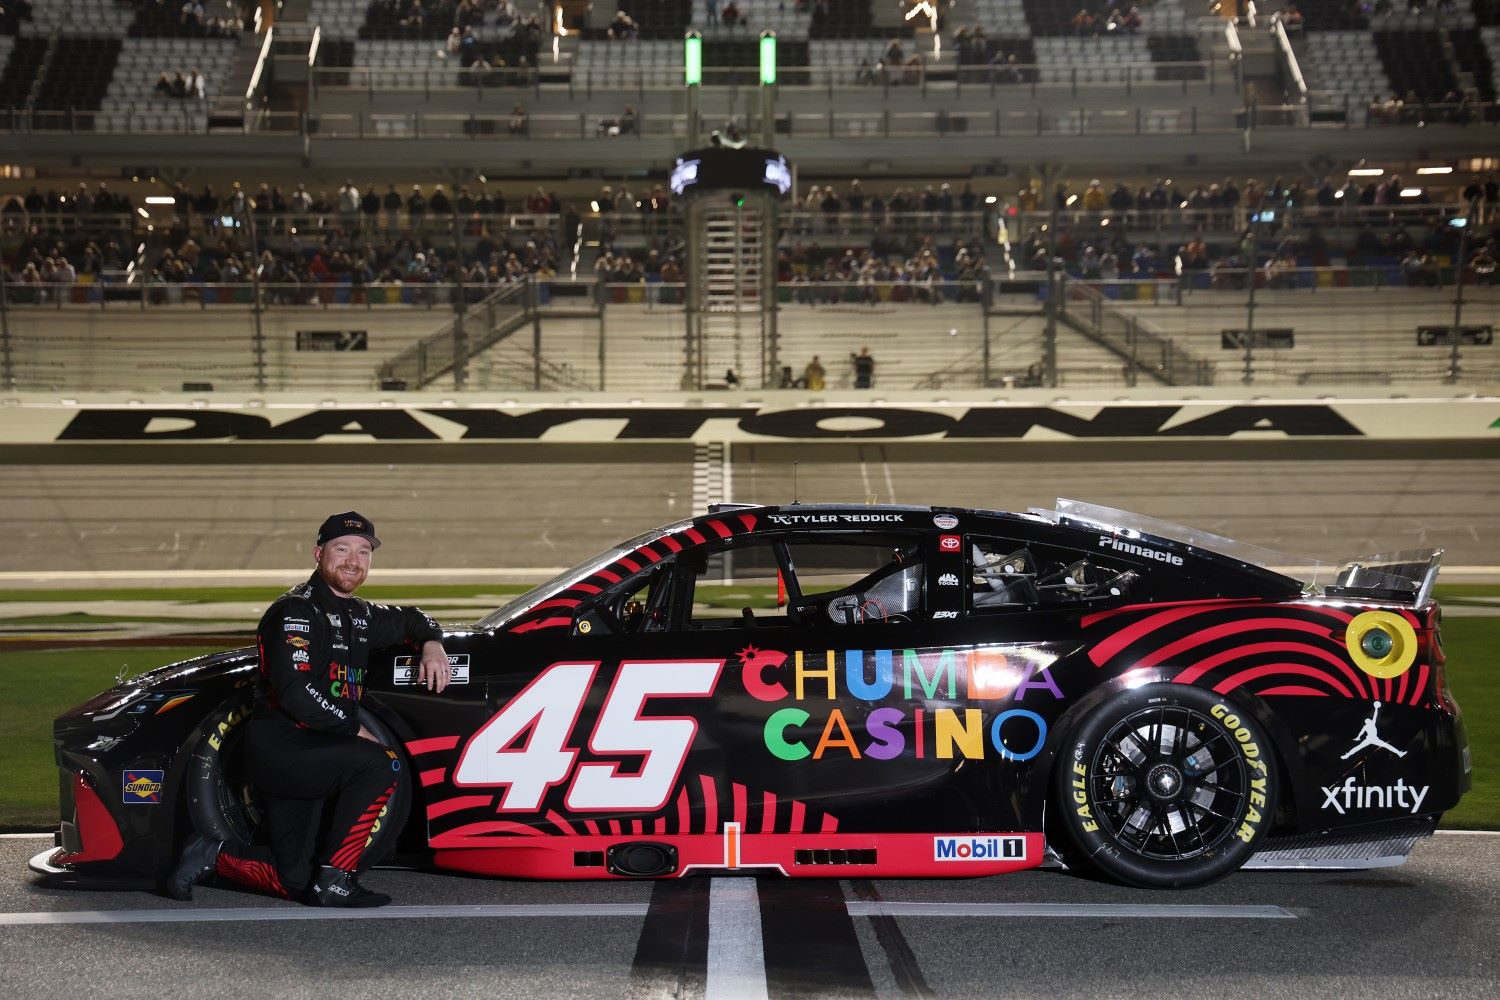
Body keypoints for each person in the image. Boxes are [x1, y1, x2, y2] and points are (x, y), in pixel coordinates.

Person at [167, 512, 450, 908]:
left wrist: (432, 643)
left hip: (318, 753)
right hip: (283, 749)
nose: (353, 560)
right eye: (342, 549)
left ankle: (209, 853)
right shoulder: (295, 612)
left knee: (296, 879)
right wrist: (353, 728)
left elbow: (416, 618)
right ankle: (339, 879)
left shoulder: (363, 615)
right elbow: (295, 691)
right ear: (319, 553)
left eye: (364, 551)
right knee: (381, 763)